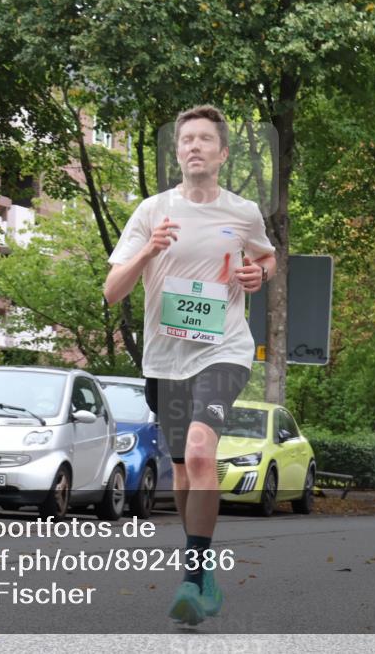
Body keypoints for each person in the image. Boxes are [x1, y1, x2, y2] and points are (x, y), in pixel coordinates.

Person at [103, 105, 276, 625]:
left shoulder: (243, 212)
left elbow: (267, 256)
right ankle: (204, 576)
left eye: (205, 140)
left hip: (223, 348)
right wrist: (147, 252)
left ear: (222, 154)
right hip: (165, 358)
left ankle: (192, 573)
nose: (195, 146)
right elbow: (112, 292)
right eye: (186, 140)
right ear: (177, 152)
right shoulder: (152, 212)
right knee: (182, 470)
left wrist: (258, 275)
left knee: (202, 451)